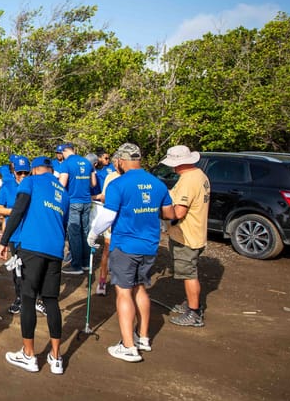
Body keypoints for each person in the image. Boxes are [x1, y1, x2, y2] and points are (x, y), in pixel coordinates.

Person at [88, 143, 174, 362]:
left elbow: (108, 216)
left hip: (125, 245)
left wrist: (93, 233)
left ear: (121, 161)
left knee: (124, 292)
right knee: (140, 288)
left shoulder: (119, 184)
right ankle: (142, 337)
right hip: (149, 245)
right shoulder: (157, 183)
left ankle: (128, 346)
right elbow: (168, 213)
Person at [0, 156, 70, 375]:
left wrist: (4, 240)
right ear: (51, 170)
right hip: (55, 250)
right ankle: (56, 357)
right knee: (51, 300)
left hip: (32, 246)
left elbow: (18, 210)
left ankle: (29, 355)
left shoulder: (30, 182)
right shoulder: (64, 193)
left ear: (35, 170)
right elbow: (63, 224)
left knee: (28, 298)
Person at [161, 145, 210, 327]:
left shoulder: (189, 180)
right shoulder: (198, 175)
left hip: (187, 236)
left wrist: (160, 213)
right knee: (189, 271)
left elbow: (179, 212)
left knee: (189, 274)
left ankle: (194, 312)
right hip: (195, 232)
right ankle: (190, 303)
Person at [0, 155, 33, 314]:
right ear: (13, 171)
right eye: (19, 173)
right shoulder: (7, 186)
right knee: (17, 270)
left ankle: (33, 298)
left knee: (31, 270)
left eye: (26, 173)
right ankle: (19, 298)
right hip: (15, 235)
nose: (23, 176)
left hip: (31, 235)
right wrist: (17, 211)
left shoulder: (33, 185)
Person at [58, 143, 96, 275]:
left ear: (64, 152)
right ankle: (86, 263)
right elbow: (93, 183)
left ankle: (76, 265)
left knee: (74, 233)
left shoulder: (66, 164)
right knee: (85, 231)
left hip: (73, 201)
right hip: (86, 201)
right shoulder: (86, 162)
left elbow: (61, 185)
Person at [93, 155, 121, 296]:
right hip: (111, 217)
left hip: (124, 221)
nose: (115, 164)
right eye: (114, 162)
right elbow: (104, 196)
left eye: (116, 162)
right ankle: (102, 280)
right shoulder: (111, 177)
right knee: (107, 249)